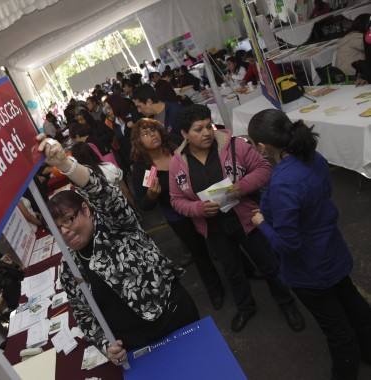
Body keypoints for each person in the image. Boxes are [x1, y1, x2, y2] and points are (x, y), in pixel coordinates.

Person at [37, 134, 200, 365]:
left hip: (174, 318)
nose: (65, 231)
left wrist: (65, 165)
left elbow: (103, 193)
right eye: (56, 228)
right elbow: (84, 315)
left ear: (86, 210)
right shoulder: (68, 268)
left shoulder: (117, 225)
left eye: (69, 219)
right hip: (136, 347)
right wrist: (105, 345)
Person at [248, 109, 371, 380]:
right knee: (355, 306)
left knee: (338, 332)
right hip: (331, 250)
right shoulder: (313, 158)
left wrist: (261, 223)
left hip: (309, 268)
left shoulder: (284, 183)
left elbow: (287, 243)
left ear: (263, 146)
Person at [169, 104, 305, 333]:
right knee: (233, 272)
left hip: (247, 220)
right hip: (214, 229)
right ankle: (245, 307)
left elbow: (264, 168)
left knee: (269, 266)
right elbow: (175, 200)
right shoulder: (177, 163)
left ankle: (287, 305)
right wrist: (199, 209)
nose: (206, 133)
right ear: (184, 134)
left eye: (208, 126)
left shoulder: (234, 146)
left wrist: (242, 187)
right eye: (198, 129)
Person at [130, 118, 225, 309]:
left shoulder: (177, 148)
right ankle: (215, 290)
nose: (152, 135)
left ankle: (244, 269)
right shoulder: (143, 169)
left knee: (222, 239)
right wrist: (150, 196)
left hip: (201, 203)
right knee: (199, 252)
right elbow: (143, 205)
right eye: (145, 134)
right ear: (139, 142)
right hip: (178, 216)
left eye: (154, 130)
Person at [71, 141, 139, 219]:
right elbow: (126, 192)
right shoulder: (109, 167)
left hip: (106, 220)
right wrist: (135, 211)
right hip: (124, 210)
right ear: (92, 152)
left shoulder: (80, 182)